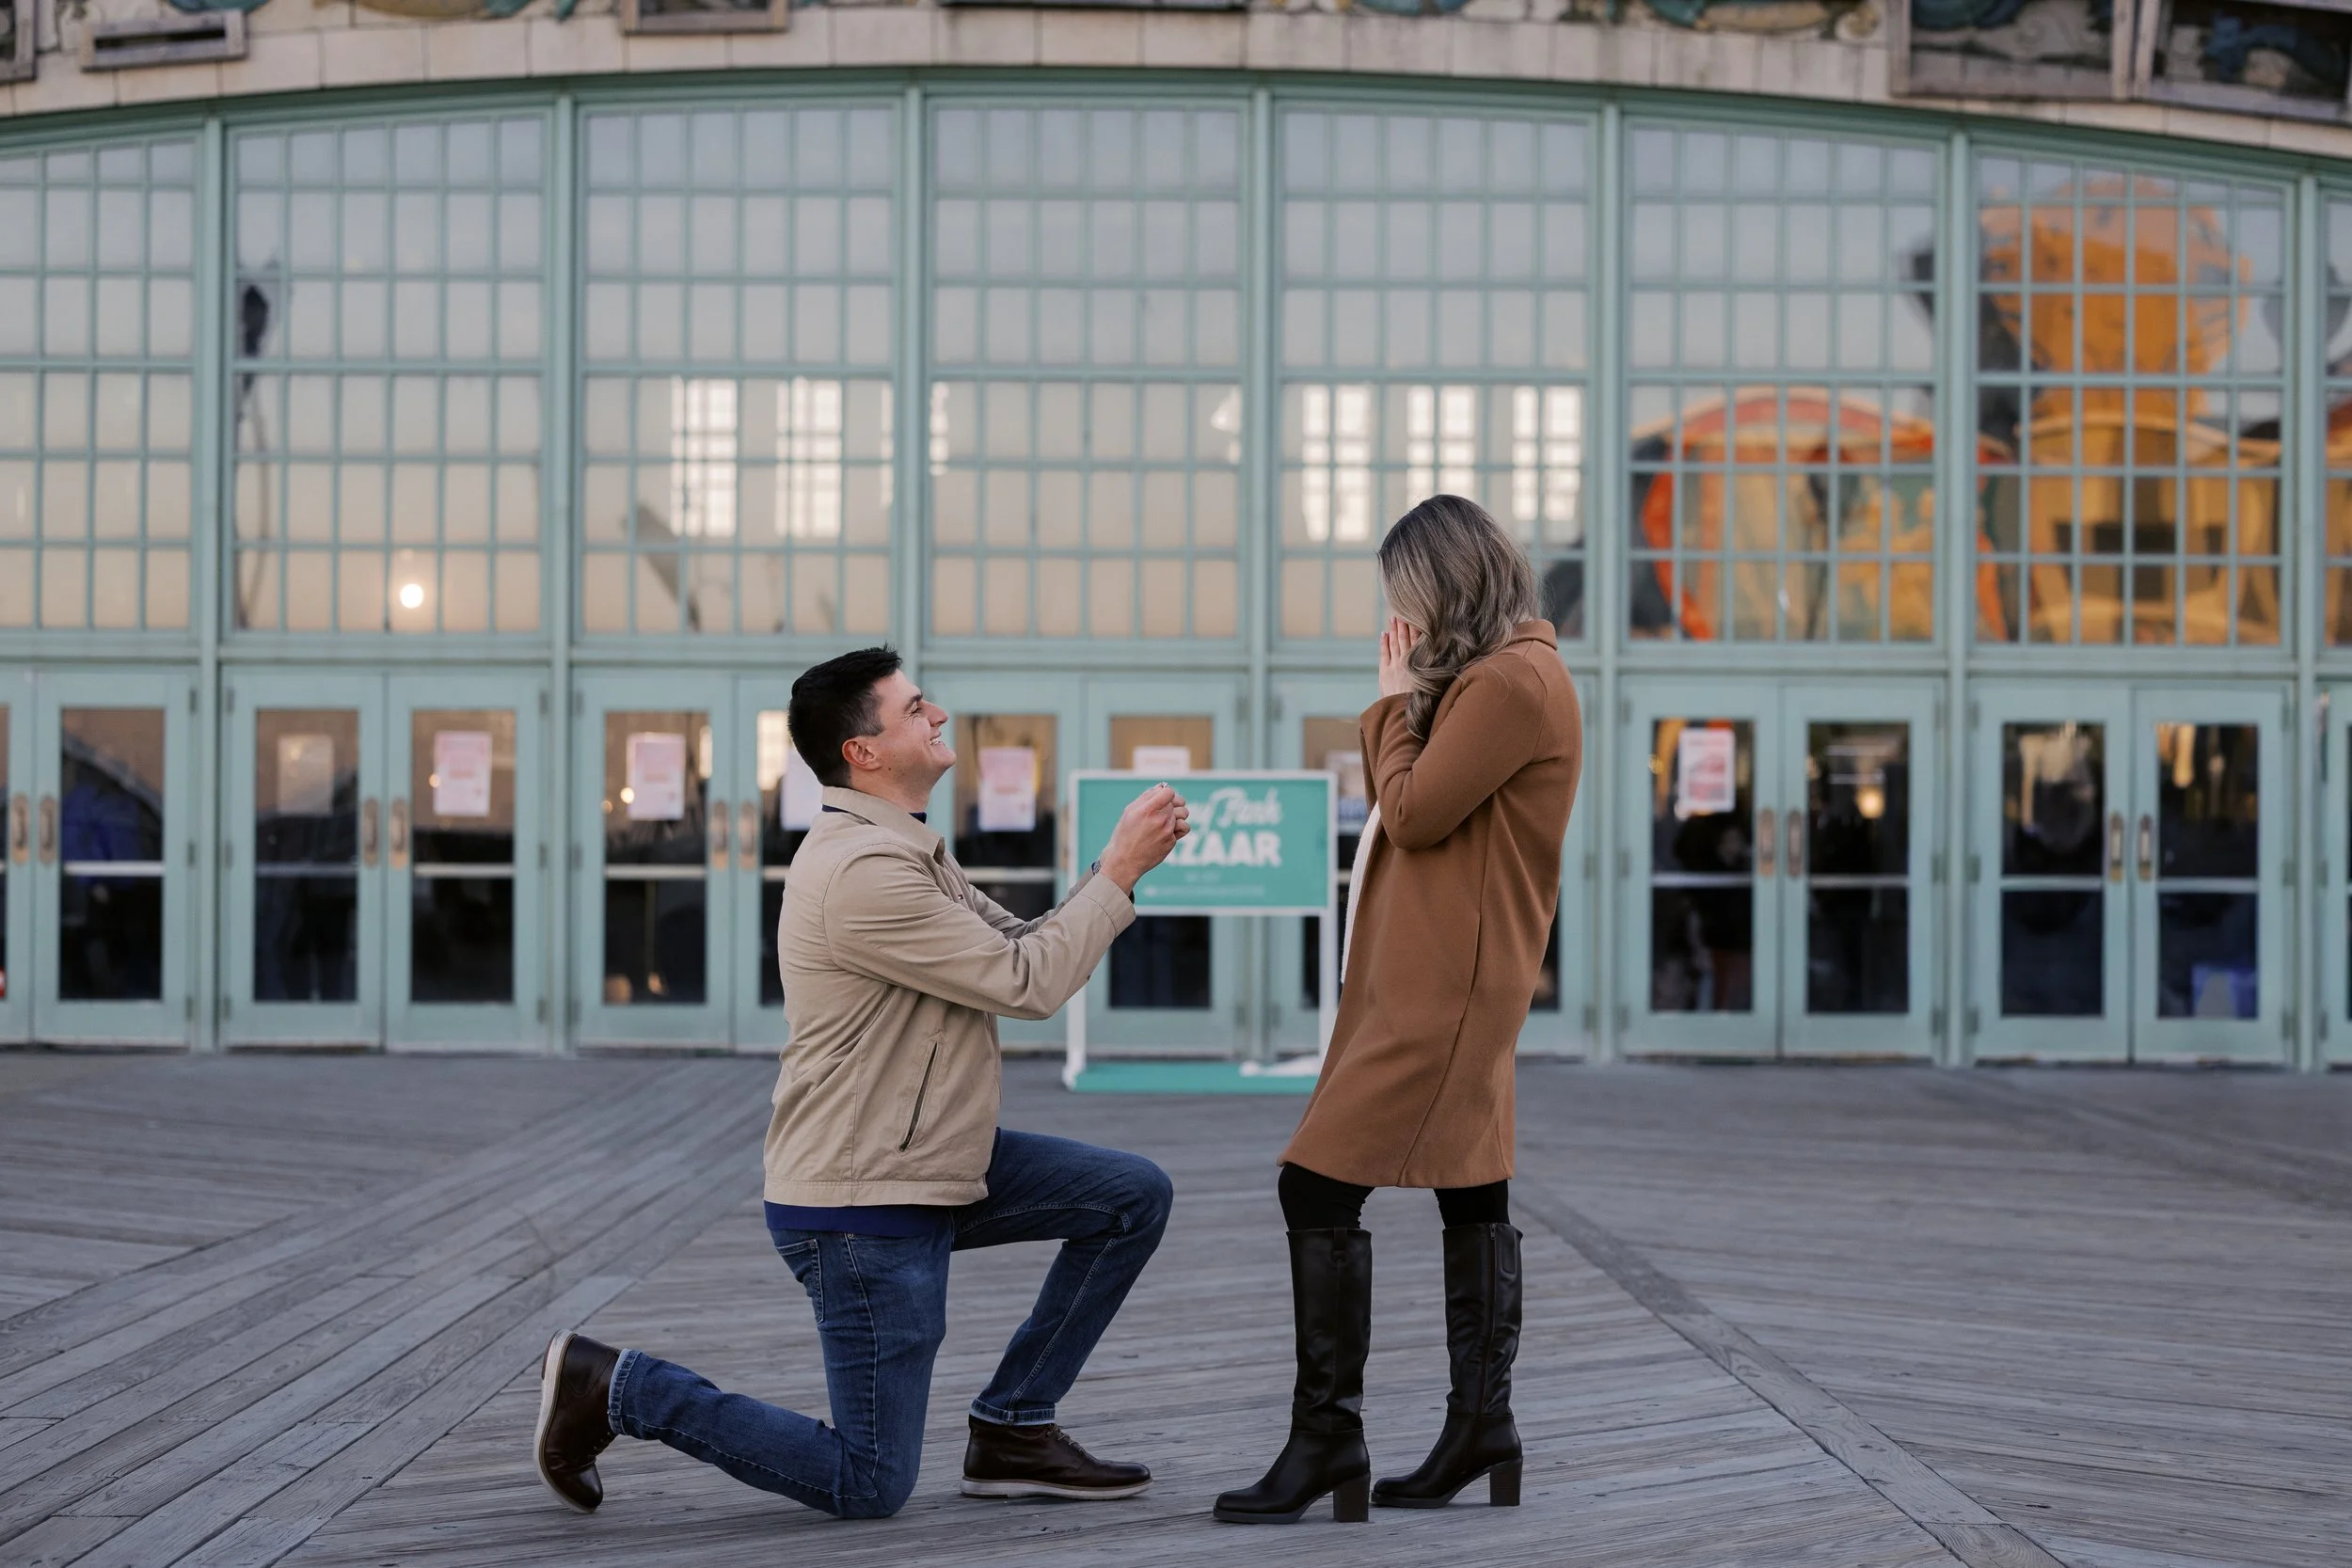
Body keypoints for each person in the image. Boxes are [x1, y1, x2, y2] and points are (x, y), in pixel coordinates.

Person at [532, 646, 1191, 1520]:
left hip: (930, 1163)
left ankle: (1014, 1427)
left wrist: (1110, 876)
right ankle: (619, 1386)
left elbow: (1024, 944)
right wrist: (1117, 872)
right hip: (862, 1205)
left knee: (1129, 1197)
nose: (939, 715)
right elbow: (1027, 983)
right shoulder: (863, 874)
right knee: (868, 1480)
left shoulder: (910, 852)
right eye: (916, 707)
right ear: (864, 752)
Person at [1215, 496, 1583, 1525]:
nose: (1399, 618)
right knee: (1473, 1190)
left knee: (1314, 1185)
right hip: (1446, 976)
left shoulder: (1512, 681)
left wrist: (1384, 704)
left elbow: (1414, 812)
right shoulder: (1499, 676)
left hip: (1445, 989)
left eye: (1405, 596)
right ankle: (1480, 1424)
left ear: (1446, 583)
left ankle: (1330, 1436)